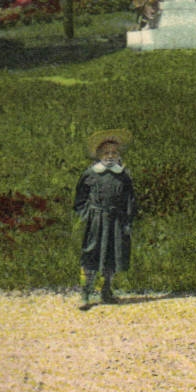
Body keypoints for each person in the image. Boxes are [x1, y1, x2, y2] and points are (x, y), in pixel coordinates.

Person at [73, 129, 137, 309]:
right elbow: (80, 198)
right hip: (95, 220)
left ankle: (106, 290)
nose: (110, 156)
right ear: (98, 154)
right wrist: (87, 214)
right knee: (91, 252)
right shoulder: (91, 174)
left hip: (116, 220)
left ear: (119, 155)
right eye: (106, 153)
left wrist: (127, 220)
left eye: (114, 153)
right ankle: (85, 292)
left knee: (112, 253)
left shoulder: (123, 175)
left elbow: (130, 200)